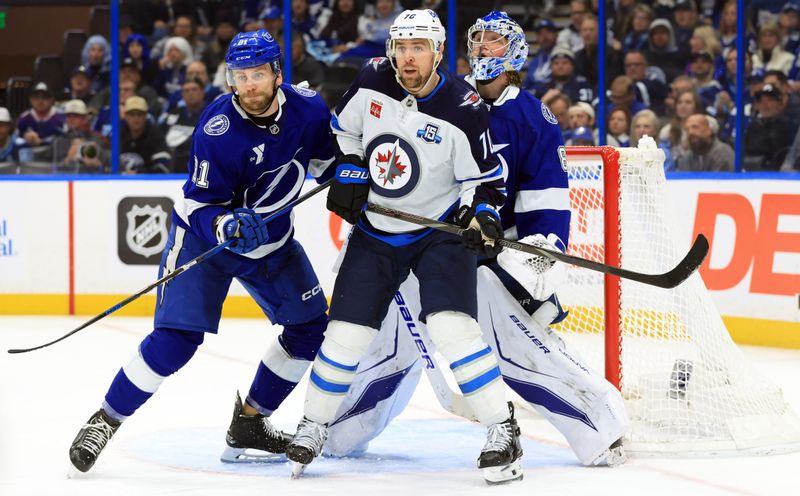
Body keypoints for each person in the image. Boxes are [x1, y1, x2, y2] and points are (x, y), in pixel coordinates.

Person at [320, 9, 629, 472]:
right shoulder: (449, 96)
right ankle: (338, 432)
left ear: (516, 55)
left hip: (486, 253)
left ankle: (602, 426)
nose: (484, 49)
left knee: (515, 352)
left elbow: (543, 190)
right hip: (420, 244)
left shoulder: (532, 117)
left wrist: (541, 248)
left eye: (495, 42)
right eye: (478, 40)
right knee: (389, 348)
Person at [68, 29, 335, 473]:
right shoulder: (218, 128)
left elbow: (328, 161)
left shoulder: (308, 110)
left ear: (277, 73)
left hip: (272, 242)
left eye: (258, 74)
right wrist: (227, 222)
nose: (248, 85)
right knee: (175, 341)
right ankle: (105, 419)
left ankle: (250, 423)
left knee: (309, 330)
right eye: (240, 75)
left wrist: (347, 176)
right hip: (206, 240)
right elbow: (197, 202)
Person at [284, 9, 523, 484]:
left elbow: (487, 180)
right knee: (345, 336)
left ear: (438, 52)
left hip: (438, 230)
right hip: (376, 229)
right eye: (401, 46)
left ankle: (502, 428)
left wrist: (484, 215)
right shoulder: (372, 78)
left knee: (454, 329)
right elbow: (342, 130)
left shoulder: (465, 108)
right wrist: (349, 165)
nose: (407, 57)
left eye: (418, 48)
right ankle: (313, 423)